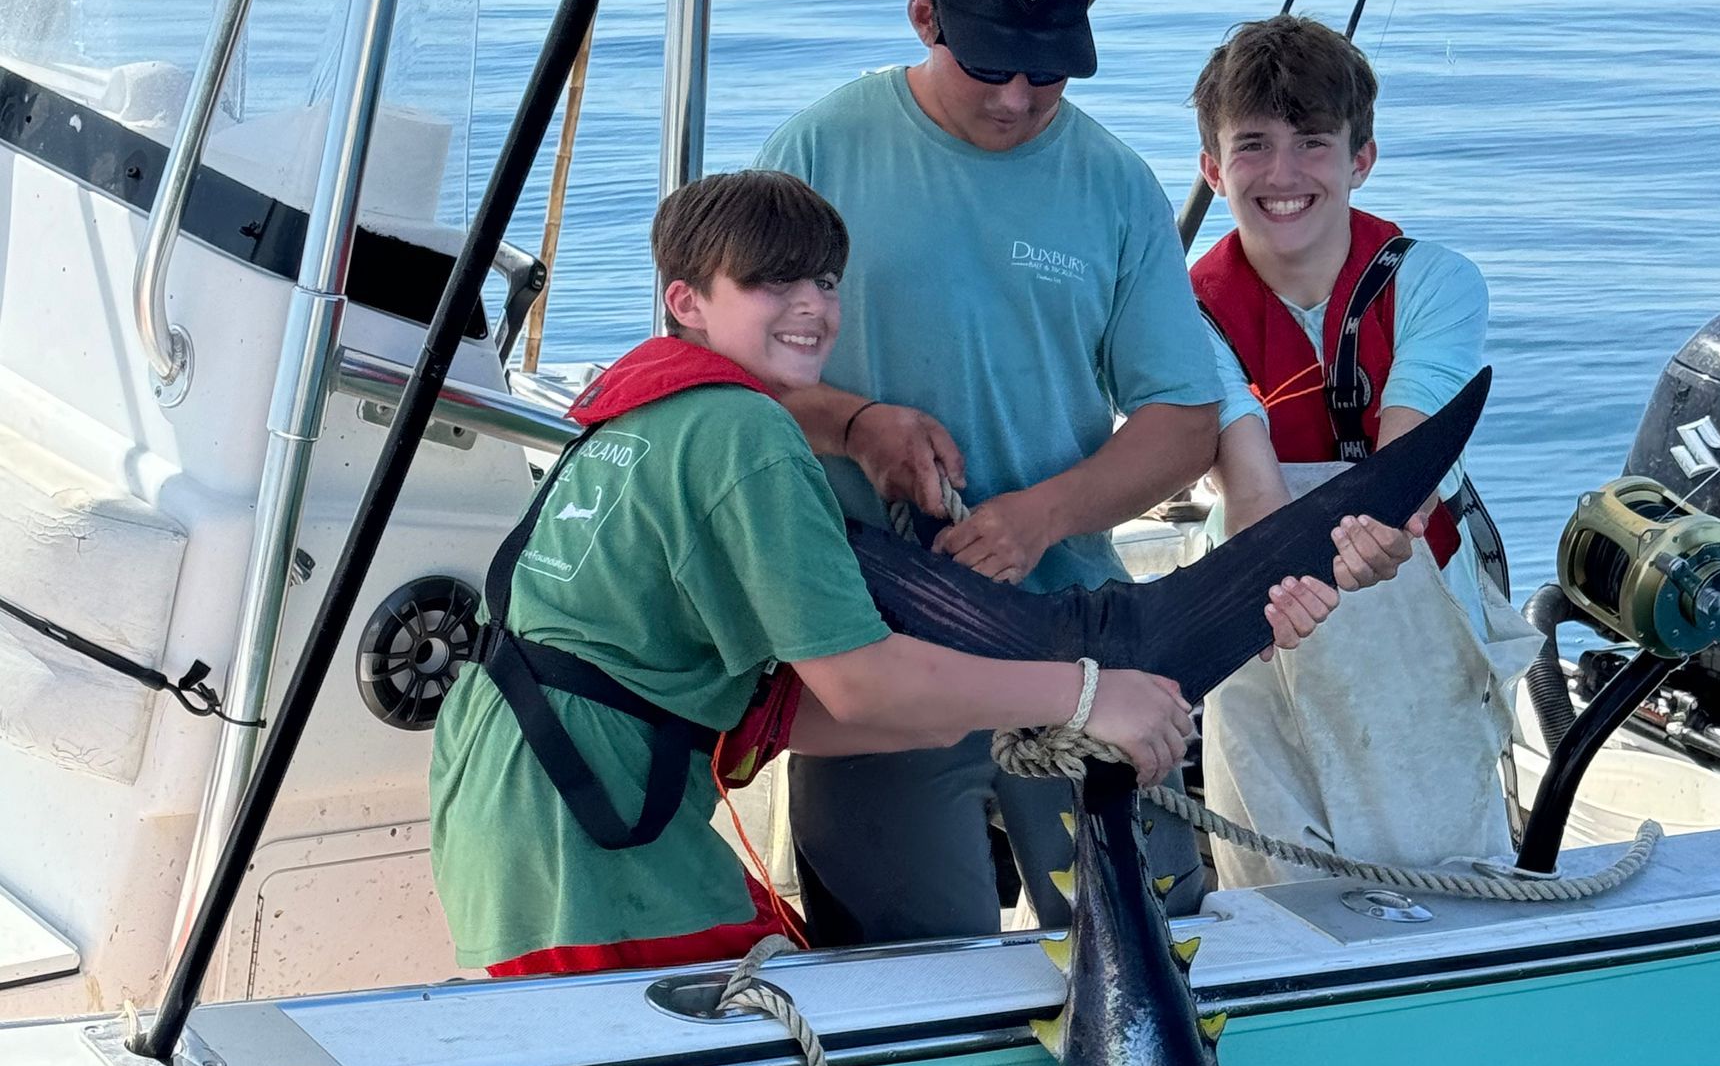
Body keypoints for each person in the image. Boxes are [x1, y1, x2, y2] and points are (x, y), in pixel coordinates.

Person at [756, 0, 1402, 946]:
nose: (1015, 98)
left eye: (1047, 71)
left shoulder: (1111, 181)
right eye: (988, 64)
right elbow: (719, 380)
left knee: (1157, 952)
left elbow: (1183, 416)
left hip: (1077, 629)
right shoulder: (818, 149)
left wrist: (1039, 520)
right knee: (901, 968)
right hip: (874, 634)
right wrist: (857, 421)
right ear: (925, 19)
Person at [428, 168, 1268, 979]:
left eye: (825, 282)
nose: (810, 307)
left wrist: (969, 719)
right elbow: (861, 684)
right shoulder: (743, 434)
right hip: (591, 839)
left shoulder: (637, 412)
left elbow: (789, 705)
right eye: (769, 283)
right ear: (685, 301)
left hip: (503, 813)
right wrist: (1089, 695)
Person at [1191, 15, 1541, 882]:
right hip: (1254, 591)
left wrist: (1384, 527)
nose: (1283, 174)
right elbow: (1250, 484)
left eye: (1314, 143)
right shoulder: (1182, 309)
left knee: (1445, 876)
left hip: (1408, 575)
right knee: (1268, 882)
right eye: (1252, 145)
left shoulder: (1436, 280)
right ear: (1211, 167)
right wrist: (1281, 583)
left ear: (1362, 158)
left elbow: (1409, 461)